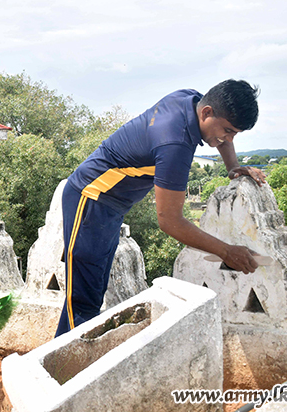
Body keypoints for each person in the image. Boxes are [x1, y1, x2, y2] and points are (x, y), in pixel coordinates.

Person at [56, 79, 265, 337]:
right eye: (228, 130)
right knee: (82, 303)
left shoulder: (191, 100)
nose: (227, 139)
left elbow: (218, 133)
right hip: (89, 200)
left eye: (235, 134)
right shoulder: (175, 143)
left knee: (92, 293)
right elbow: (170, 221)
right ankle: (65, 374)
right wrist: (226, 252)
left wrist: (232, 167)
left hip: (110, 206)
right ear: (207, 112)